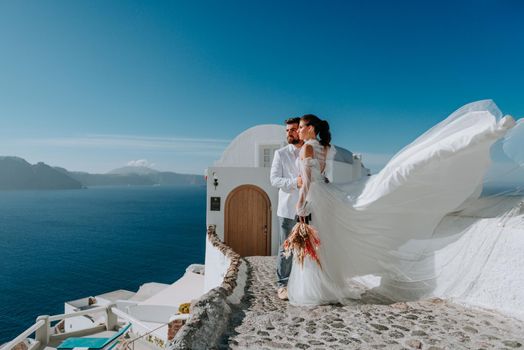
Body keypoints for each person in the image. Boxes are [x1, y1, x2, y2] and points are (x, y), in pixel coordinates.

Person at [286, 101, 518, 306]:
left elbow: (307, 181)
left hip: (318, 196)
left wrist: (301, 202)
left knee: (320, 243)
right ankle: (486, 133)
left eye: (303, 126)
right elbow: (322, 176)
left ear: (312, 129)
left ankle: (317, 289)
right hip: (327, 193)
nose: (300, 129)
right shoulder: (325, 148)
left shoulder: (307, 147)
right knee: (325, 241)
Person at [270, 117, 304, 300]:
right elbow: (274, 180)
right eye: (287, 130)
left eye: (292, 129)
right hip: (287, 210)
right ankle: (282, 285)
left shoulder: (310, 151)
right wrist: (295, 182)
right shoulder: (280, 154)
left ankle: (302, 282)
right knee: (286, 248)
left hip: (308, 209)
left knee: (307, 248)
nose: (289, 133)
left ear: (301, 130)